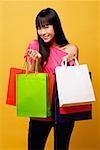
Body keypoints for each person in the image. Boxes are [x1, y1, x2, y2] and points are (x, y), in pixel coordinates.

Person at [24, 8, 78, 150]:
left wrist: (68, 59)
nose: (42, 32)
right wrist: (37, 62)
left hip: (64, 108)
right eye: (39, 28)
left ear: (56, 25)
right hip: (41, 109)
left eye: (46, 27)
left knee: (62, 147)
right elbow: (30, 80)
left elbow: (72, 80)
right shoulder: (34, 46)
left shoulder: (70, 49)